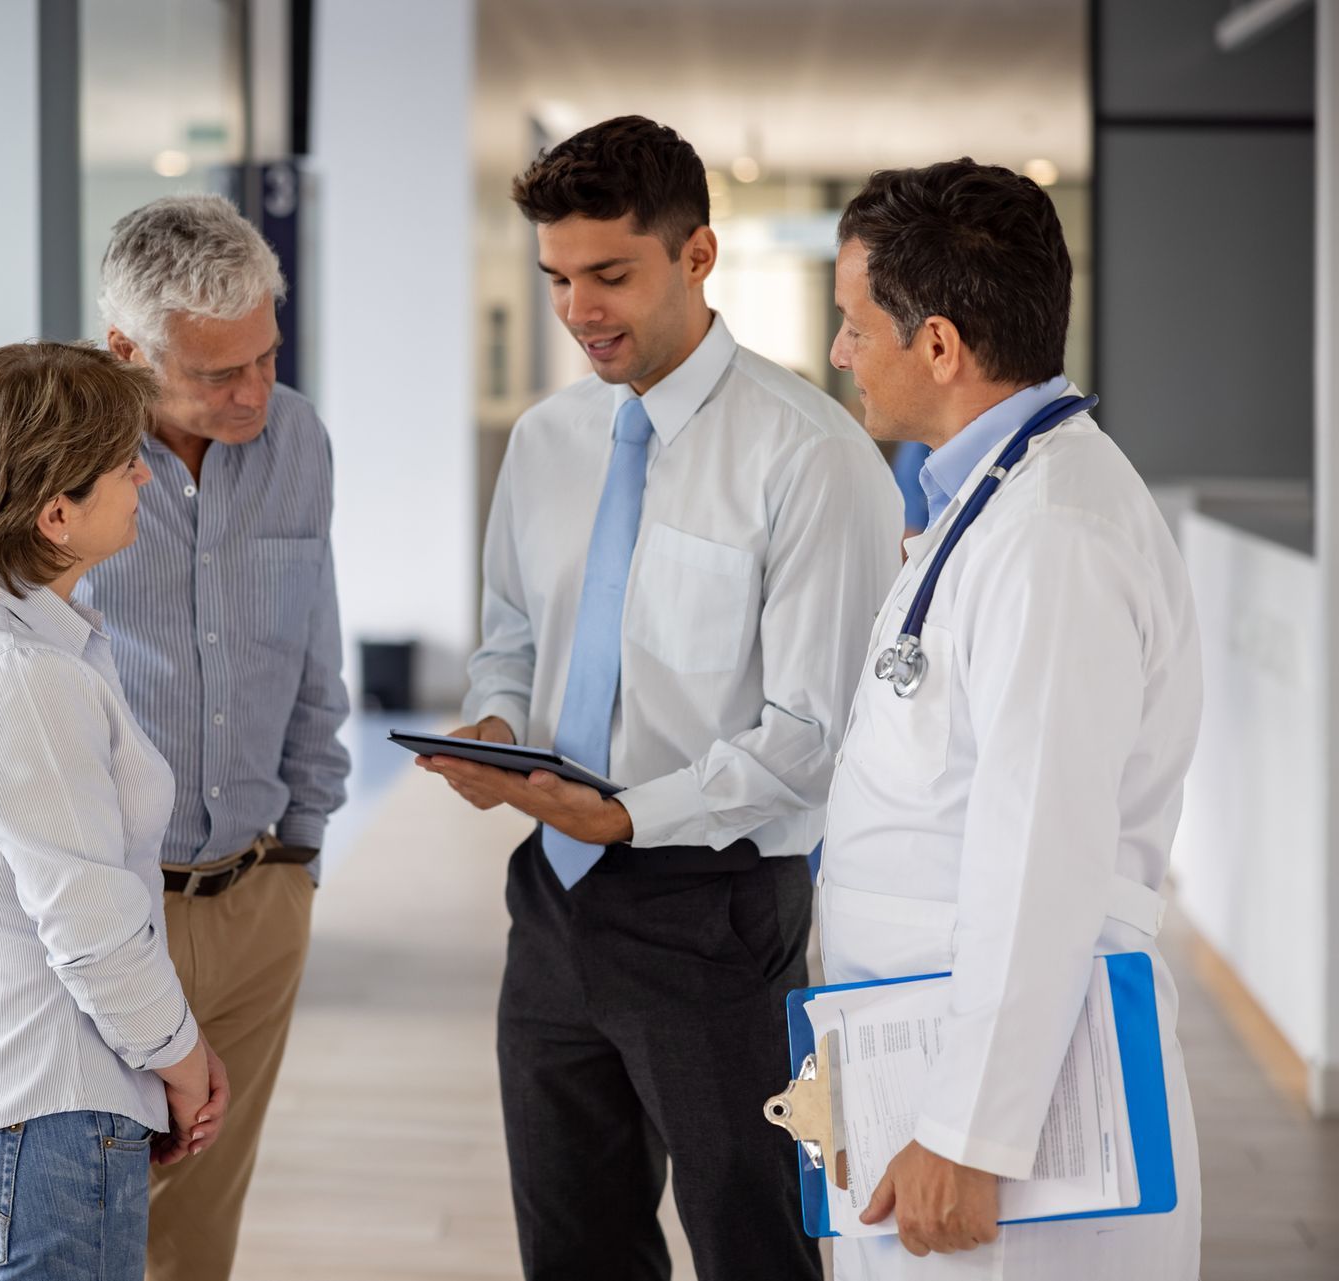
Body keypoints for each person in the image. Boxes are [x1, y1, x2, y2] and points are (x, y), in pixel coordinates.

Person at [0, 195, 350, 1281]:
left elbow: (313, 640)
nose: (252, 396)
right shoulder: (38, 450)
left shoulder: (298, 438)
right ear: (128, 351)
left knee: (189, 1246)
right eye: (215, 373)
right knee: (55, 1220)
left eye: (265, 359)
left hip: (257, 891)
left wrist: (305, 848)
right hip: (99, 918)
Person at [419, 116, 901, 1280]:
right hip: (553, 898)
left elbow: (814, 736)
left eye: (611, 275)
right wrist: (492, 727)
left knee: (755, 1243)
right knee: (571, 1241)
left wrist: (631, 816)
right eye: (558, 280)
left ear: (697, 257)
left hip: (715, 912)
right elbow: (516, 638)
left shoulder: (810, 456)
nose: (580, 309)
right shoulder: (546, 442)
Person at [822, 159, 1202, 1277]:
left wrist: (970, 1127)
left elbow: (1042, 850)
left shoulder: (1053, 541)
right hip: (925, 1052)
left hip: (1013, 1115)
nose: (841, 352)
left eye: (853, 326)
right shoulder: (995, 506)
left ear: (938, 346)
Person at [0, 341, 229, 1281]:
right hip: (36, 1116)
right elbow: (90, 925)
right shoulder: (20, 675)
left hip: (5, 1108)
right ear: (56, 515)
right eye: (124, 463)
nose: (144, 473)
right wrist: (184, 1060)